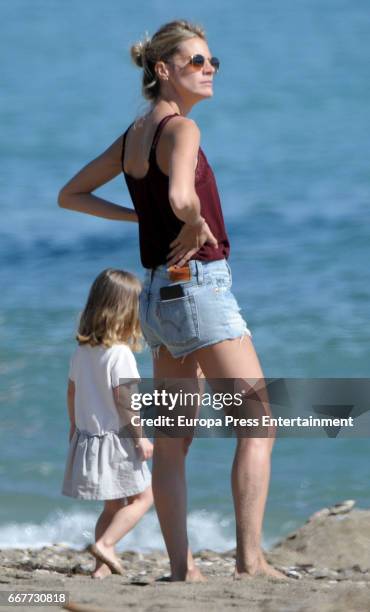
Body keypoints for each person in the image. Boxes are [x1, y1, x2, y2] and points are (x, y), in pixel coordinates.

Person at [58, 19, 287, 581]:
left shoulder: (136, 134)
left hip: (158, 296)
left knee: (174, 439)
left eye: (212, 62)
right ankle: (250, 561)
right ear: (164, 70)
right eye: (196, 62)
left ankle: (184, 569)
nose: (209, 70)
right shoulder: (182, 130)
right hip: (199, 290)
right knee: (258, 423)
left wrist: (139, 215)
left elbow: (72, 195)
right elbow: (183, 195)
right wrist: (194, 219)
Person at [61, 268, 153, 579]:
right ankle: (107, 544)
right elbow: (126, 401)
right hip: (117, 440)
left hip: (91, 439)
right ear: (128, 312)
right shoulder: (121, 354)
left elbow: (72, 390)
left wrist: (74, 426)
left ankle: (100, 569)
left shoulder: (82, 351)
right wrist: (140, 437)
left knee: (112, 506)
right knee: (144, 497)